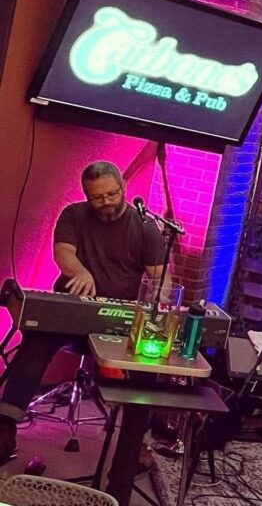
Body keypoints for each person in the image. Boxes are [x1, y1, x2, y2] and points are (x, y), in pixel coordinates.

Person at [0, 161, 165, 506]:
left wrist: (154, 308)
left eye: (111, 193)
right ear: (86, 195)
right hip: (74, 312)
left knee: (144, 363)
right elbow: (63, 252)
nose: (105, 202)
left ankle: (138, 447)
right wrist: (80, 272)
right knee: (36, 341)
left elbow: (160, 278)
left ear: (123, 186)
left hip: (120, 320)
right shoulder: (73, 215)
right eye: (97, 197)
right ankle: (5, 427)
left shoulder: (146, 227)